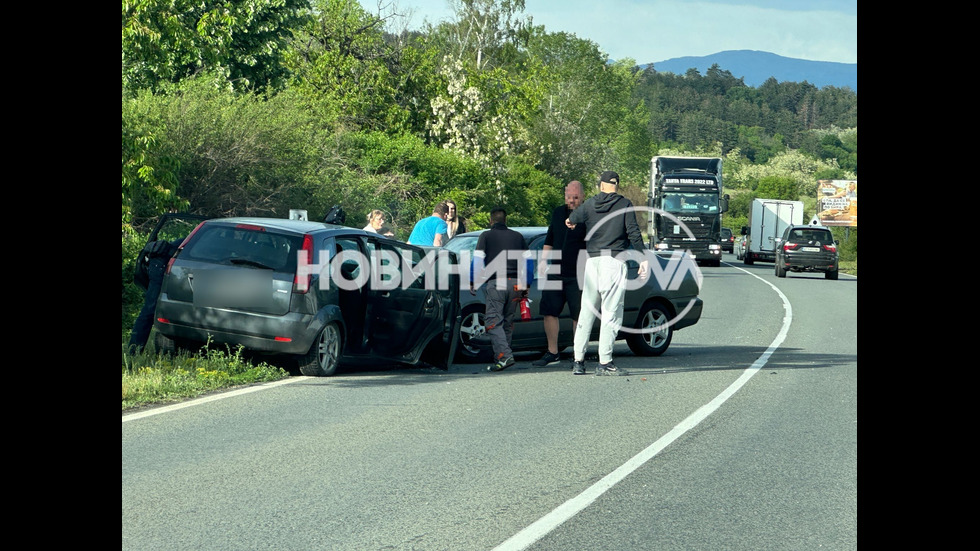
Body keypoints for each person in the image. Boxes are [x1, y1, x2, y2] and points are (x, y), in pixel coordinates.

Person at [566, 171, 649, 376]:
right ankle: (605, 362)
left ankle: (578, 361)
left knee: (587, 311)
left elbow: (572, 218)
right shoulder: (624, 204)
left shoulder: (591, 203)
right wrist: (643, 258)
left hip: (592, 261)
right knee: (610, 313)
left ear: (601, 185)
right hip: (613, 261)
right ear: (617, 186)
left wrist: (572, 221)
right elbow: (633, 232)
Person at [532, 180, 587, 368]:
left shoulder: (588, 215)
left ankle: (577, 354)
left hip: (578, 272)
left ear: (583, 197)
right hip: (555, 271)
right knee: (549, 311)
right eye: (568, 197)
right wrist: (542, 262)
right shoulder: (557, 213)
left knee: (578, 315)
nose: (571, 201)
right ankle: (552, 352)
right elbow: (550, 238)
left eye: (575, 197)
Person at [473, 207, 528, 372]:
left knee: (492, 322)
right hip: (516, 284)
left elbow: (477, 260)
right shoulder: (517, 236)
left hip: (497, 283)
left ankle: (504, 356)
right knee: (507, 322)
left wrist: (472, 281)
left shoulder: (486, 236)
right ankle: (504, 355)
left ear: (491, 221)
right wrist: (527, 284)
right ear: (506, 220)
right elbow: (528, 262)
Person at [128, 237, 184, 353]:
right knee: (150, 309)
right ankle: (133, 350)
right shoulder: (202, 238)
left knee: (152, 310)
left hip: (160, 264)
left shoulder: (199, 236)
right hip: (160, 265)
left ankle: (134, 349)